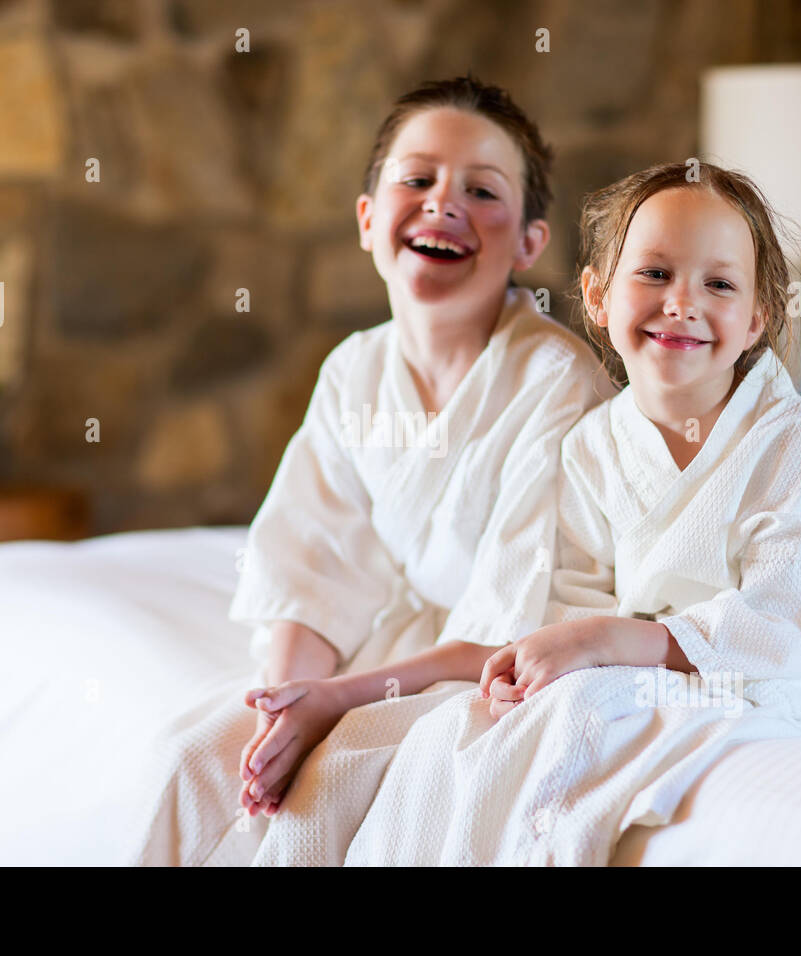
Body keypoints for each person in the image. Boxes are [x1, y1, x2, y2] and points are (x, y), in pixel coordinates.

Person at [335, 161, 801, 865]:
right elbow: (576, 599)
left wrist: (612, 645)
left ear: (756, 319)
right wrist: (551, 661)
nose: (682, 303)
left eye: (718, 284)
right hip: (647, 662)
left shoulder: (791, 441)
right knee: (459, 732)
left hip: (793, 676)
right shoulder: (593, 446)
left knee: (577, 720)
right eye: (655, 274)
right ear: (598, 296)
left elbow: (786, 618)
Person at [138, 76, 607, 864]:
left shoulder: (557, 382)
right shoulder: (355, 372)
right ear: (366, 220)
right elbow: (314, 565)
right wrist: (282, 707)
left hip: (486, 675)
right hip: (379, 658)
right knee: (191, 759)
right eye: (416, 179)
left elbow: (512, 624)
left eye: (482, 191)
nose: (443, 203)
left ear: (529, 242)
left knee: (322, 792)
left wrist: (337, 705)